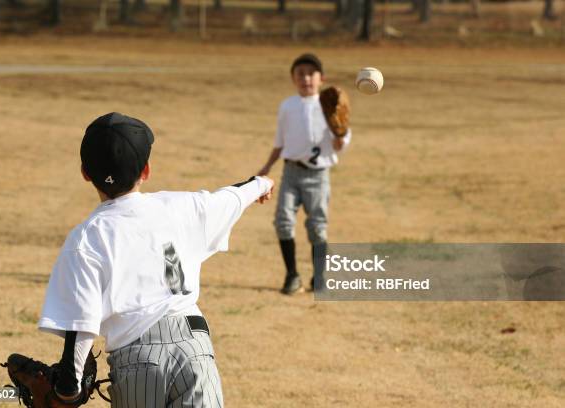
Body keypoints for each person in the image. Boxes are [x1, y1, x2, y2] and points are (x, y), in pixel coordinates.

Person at [37, 112, 274, 407]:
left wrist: (68, 389)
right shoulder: (180, 206)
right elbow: (232, 196)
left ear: (85, 172)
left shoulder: (86, 238)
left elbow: (80, 324)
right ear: (146, 170)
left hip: (137, 361)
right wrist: (261, 184)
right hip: (194, 348)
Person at [258, 53, 352, 295]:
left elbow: (340, 143)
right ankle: (292, 275)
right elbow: (280, 142)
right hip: (291, 172)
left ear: (322, 78)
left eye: (311, 73)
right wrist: (267, 167)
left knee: (317, 227)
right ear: (293, 78)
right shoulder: (287, 106)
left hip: (319, 176)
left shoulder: (330, 106)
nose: (306, 78)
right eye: (300, 74)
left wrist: (340, 133)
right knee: (283, 222)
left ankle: (319, 277)